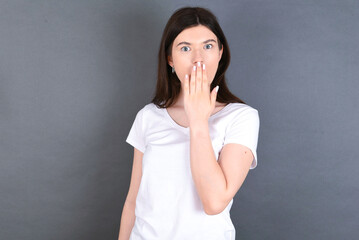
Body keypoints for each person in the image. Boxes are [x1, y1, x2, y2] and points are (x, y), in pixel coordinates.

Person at [118, 6, 260, 240]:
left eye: (208, 46)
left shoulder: (241, 117)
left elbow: (214, 202)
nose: (198, 59)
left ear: (220, 53)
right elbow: (133, 201)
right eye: (185, 48)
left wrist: (198, 120)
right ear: (170, 59)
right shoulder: (148, 116)